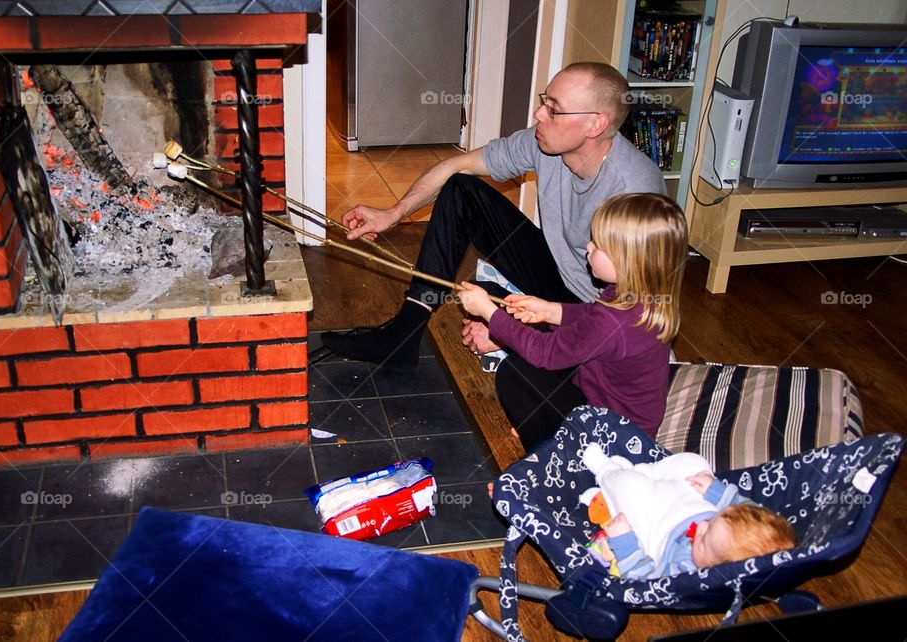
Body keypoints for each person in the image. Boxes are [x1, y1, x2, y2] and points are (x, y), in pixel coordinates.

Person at [322, 62, 666, 372]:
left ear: (595, 124)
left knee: (490, 310)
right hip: (557, 276)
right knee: (461, 189)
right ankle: (403, 335)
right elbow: (457, 165)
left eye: (554, 109)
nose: (539, 114)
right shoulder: (544, 144)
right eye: (544, 101)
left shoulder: (634, 192)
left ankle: (528, 343)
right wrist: (393, 213)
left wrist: (506, 335)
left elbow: (633, 320)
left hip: (594, 314)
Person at [458, 192, 687, 451]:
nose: (588, 246)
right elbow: (591, 317)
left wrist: (488, 311)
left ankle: (552, 454)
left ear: (627, 260)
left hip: (612, 436)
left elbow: (545, 352)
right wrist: (550, 311)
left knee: (515, 373)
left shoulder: (615, 321)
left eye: (598, 245)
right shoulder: (638, 292)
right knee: (538, 338)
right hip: (615, 410)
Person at [578, 443, 796, 580]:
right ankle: (643, 471)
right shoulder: (726, 533)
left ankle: (607, 471)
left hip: (654, 520)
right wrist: (716, 492)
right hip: (691, 497)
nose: (700, 527)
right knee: (695, 463)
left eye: (703, 540)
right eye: (713, 521)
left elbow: (643, 578)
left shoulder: (686, 571)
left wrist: (624, 541)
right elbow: (746, 507)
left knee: (628, 485)